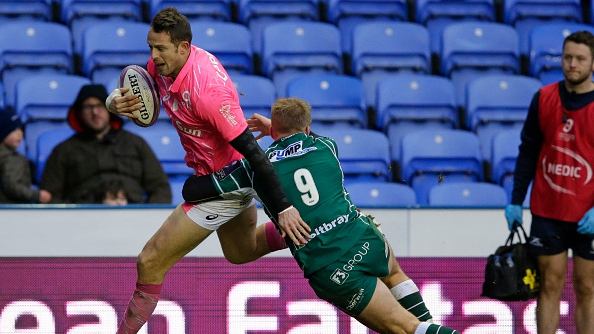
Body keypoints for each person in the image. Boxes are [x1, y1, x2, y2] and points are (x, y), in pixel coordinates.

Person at [105, 7, 309, 333]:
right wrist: (114, 103)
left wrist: (283, 208)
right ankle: (313, 226)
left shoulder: (207, 92)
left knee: (150, 260)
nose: (153, 57)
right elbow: (137, 97)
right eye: (150, 47)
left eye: (161, 49)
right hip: (218, 174)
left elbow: (256, 157)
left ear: (183, 47)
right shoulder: (162, 67)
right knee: (240, 252)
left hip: (225, 181)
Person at [246, 97, 459, 334]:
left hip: (332, 265)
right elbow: (306, 139)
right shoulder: (326, 145)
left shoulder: (258, 170)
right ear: (306, 128)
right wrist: (279, 131)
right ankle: (429, 325)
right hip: (363, 236)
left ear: (274, 130)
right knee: (397, 279)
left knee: (406, 329)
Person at [505, 30, 594, 334]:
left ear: (592, 63)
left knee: (587, 287)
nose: (572, 64)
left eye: (580, 59)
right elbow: (527, 151)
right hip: (547, 211)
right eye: (567, 57)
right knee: (549, 285)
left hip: (588, 214)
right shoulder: (543, 98)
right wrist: (516, 200)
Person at [40, 84, 171, 204]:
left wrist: (147, 218)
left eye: (100, 106)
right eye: (88, 107)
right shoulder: (63, 151)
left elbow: (160, 188)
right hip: (83, 221)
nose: (95, 112)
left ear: (110, 109)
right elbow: (49, 197)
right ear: (79, 113)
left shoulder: (135, 143)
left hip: (133, 217)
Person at [0, 108, 51, 204]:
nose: (20, 134)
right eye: (14, 130)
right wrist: (37, 195)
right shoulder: (11, 158)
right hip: (13, 210)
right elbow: (12, 186)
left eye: (20, 129)